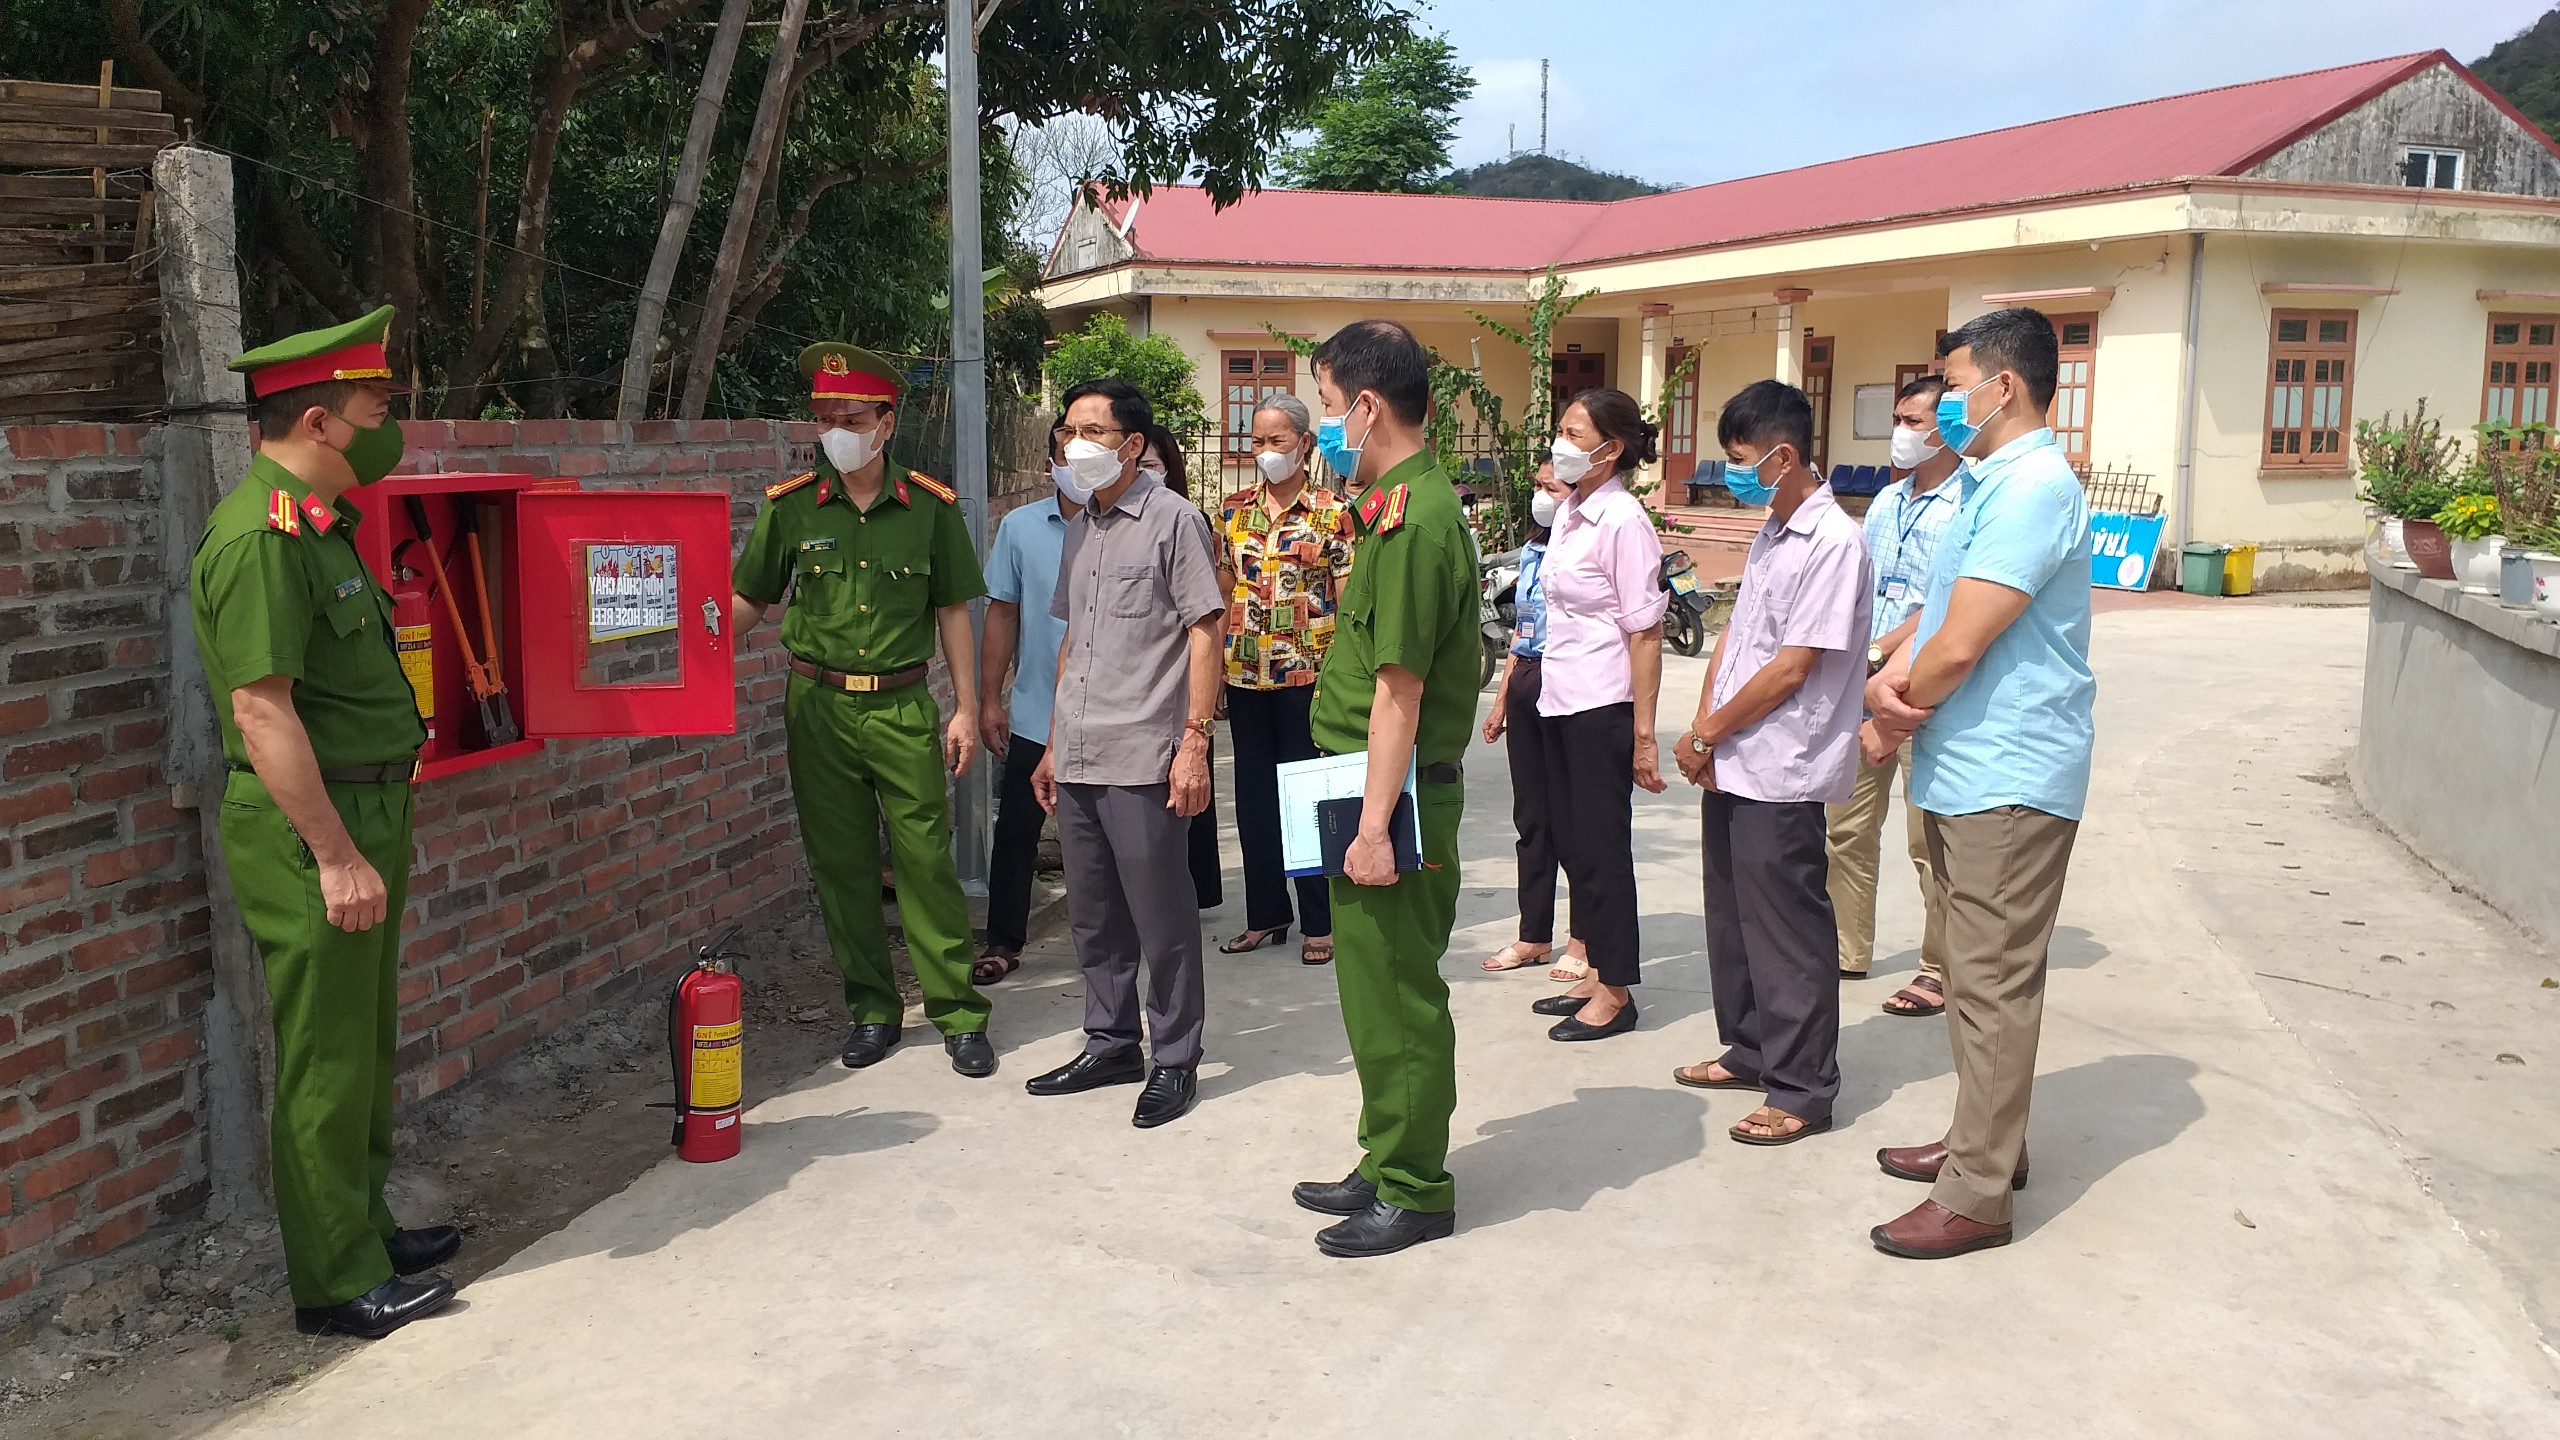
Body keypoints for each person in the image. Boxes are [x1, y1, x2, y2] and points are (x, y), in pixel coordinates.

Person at [190, 305, 456, 1338]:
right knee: (325, 1055)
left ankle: (365, 1228)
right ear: (318, 422)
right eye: (374, 409)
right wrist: (336, 855)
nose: (387, 426)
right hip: (316, 829)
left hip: (365, 806)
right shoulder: (262, 539)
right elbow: (263, 712)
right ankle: (336, 1280)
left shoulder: (320, 527)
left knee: (363, 1039)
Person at [1864, 307, 2095, 1260]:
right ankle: (1985, 1144)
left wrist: (1890, 711)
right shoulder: (1984, 483)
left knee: (1993, 980)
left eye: (1955, 387)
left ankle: (1977, 1196)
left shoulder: (2033, 486)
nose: (1944, 405)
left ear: (2003, 386)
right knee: (1968, 972)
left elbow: (1961, 644)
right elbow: (1936, 615)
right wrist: (1892, 673)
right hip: (1965, 765)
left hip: (2010, 770)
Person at [732, 343, 993, 1079]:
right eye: (825, 419)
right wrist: (699, 626)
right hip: (816, 705)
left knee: (924, 861)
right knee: (841, 864)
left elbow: (953, 611)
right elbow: (750, 599)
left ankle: (958, 1012)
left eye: (851, 419)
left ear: (886, 422)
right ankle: (873, 1010)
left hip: (902, 705)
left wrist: (965, 708)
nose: (836, 432)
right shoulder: (790, 507)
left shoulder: (930, 508)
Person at [1288, 320, 1480, 1258]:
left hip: (1389, 800)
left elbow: (1400, 692)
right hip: (1362, 785)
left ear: (1367, 406)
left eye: (1327, 407)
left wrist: (1372, 829)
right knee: (1370, 991)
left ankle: (1415, 1188)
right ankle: (1385, 1154)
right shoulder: (1394, 506)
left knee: (1399, 993)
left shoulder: (1414, 522)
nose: (1326, 427)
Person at [1669, 380, 1872, 1146]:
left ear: (1783, 457)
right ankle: (1752, 1048)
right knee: (1733, 917)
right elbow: (1737, 636)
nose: (1733, 474)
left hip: (1784, 764)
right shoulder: (1774, 531)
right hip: (1734, 754)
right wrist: (1705, 728)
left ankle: (1803, 1087)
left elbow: (1792, 666)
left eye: (1741, 459)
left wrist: (1709, 733)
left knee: (1787, 926)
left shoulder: (1833, 543)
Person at [1027, 379, 1226, 1128]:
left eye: (1092, 431)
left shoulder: (1175, 520)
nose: (1074, 444)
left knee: (1161, 916)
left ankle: (1175, 1056)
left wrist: (1194, 741)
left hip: (1145, 751)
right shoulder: (1081, 526)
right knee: (1093, 914)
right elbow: (1073, 640)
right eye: (1067, 431)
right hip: (1080, 750)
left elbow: (1205, 629)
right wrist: (1052, 744)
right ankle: (1111, 1042)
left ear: (1134, 445)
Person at [1520, 390, 1669, 1042]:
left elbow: (1645, 632)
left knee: (1603, 849)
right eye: (1561, 430)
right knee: (1574, 843)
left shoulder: (1623, 521)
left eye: (1575, 434)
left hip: (1602, 704)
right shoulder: (1571, 513)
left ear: (1610, 449)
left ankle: (1617, 991)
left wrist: (1644, 734)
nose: (1561, 444)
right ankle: (1595, 970)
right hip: (1560, 697)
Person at [1829, 375, 1961, 1015]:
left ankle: (1938, 968)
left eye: (1913, 422)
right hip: (1863, 686)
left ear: (1945, 430)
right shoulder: (1886, 501)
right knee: (1845, 827)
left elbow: (1946, 604)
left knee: (1927, 840)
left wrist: (1882, 653)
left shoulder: (1969, 504)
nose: (1901, 434)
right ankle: (1844, 949)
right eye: (1898, 421)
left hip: (1922, 692)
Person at [1213, 394, 1352, 965]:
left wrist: (1345, 680)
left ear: (1304, 444)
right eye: (1257, 441)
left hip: (1307, 679)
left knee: (1306, 798)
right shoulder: (1232, 511)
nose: (1265, 451)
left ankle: (1319, 921)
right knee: (1253, 801)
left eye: (1277, 441)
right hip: (1244, 677)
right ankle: (1265, 913)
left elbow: (1346, 602)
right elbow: (1222, 595)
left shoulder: (1332, 513)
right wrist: (1213, 674)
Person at [974, 416, 1079, 984]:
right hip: (1038, 711)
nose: (1077, 461)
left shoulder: (1137, 524)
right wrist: (990, 699)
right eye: (1066, 450)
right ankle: (1002, 940)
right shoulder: (1020, 528)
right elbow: (1003, 613)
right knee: (1017, 830)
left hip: (1112, 715)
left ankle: (1115, 944)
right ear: (1049, 465)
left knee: (1112, 837)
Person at [1479, 462, 1588, 978]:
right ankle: (1533, 934)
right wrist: (1502, 700)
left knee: (1574, 818)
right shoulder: (1531, 551)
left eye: (1552, 487)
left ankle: (1583, 938)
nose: (1541, 495)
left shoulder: (1586, 547)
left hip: (1572, 682)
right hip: (1528, 680)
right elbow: (1522, 633)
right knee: (1532, 819)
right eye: (1538, 485)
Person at [1140, 424, 1227, 912]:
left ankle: (1194, 892)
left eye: (1152, 466)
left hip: (1185, 681)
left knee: (1191, 793)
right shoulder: (1101, 526)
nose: (1143, 474)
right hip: (1138, 693)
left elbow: (1206, 619)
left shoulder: (1187, 523)